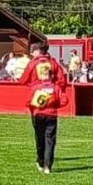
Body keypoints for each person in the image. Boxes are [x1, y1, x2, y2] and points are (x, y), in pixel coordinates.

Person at [21, 42, 67, 174]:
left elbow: (23, 80)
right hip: (52, 106)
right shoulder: (53, 63)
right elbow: (62, 81)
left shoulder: (33, 63)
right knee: (50, 137)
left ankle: (40, 159)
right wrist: (54, 94)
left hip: (36, 102)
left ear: (37, 52)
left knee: (39, 134)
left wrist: (36, 89)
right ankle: (46, 164)